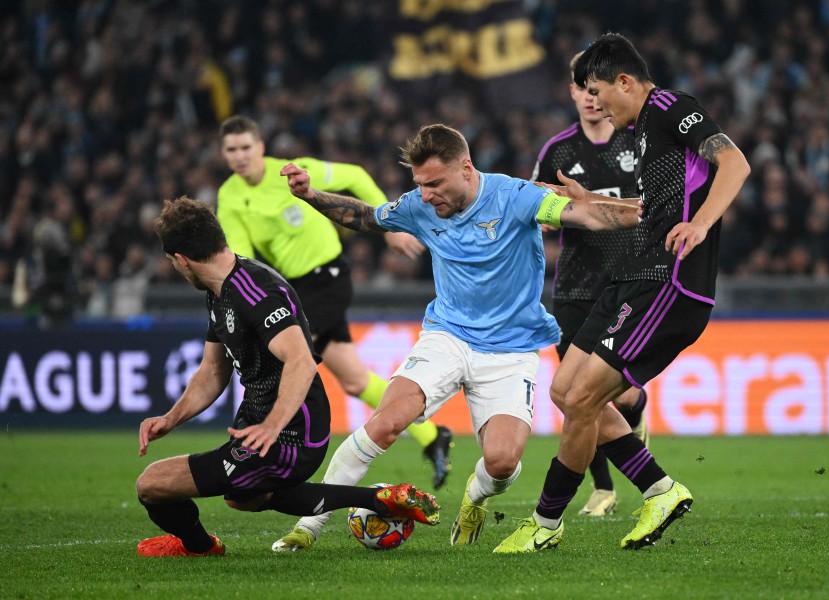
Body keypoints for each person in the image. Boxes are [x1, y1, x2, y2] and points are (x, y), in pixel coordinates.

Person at [274, 123, 642, 550]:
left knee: (502, 464)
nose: (426, 195)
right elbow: (366, 218)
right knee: (387, 422)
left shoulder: (516, 196)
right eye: (420, 185)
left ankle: (475, 496)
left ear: (466, 168)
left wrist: (658, 212)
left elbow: (589, 215)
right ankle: (308, 525)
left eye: (434, 183)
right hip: (447, 337)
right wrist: (311, 196)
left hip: (512, 348)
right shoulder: (419, 206)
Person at [495, 33, 750, 553]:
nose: (598, 103)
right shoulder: (640, 135)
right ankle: (659, 488)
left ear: (625, 81)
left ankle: (544, 524)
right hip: (633, 275)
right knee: (565, 391)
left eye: (598, 90)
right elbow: (649, 208)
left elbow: (735, 163)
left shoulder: (671, 107)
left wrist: (700, 225)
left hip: (668, 281)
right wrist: (591, 204)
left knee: (585, 398)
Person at [134, 196, 439, 557]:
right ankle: (380, 500)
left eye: (173, 262)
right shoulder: (220, 292)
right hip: (263, 423)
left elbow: (301, 360)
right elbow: (213, 370)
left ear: (181, 260)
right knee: (244, 497)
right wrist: (172, 418)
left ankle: (200, 547)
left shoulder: (256, 290)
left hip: (293, 430)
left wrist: (273, 425)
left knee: (151, 484)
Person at [216, 116, 453, 502]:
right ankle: (433, 436)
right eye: (231, 150)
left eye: (246, 147)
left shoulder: (293, 172)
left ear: (261, 147)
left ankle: (269, 451)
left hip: (326, 278)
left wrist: (388, 227)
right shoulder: (229, 196)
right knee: (355, 379)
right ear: (224, 155)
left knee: (287, 359)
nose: (240, 156)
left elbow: (356, 176)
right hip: (292, 289)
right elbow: (242, 253)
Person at [535, 51, 649, 518]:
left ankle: (635, 422)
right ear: (572, 92)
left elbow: (656, 204)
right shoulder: (557, 152)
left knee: (621, 396)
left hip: (628, 283)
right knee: (579, 396)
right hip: (575, 290)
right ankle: (603, 488)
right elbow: (535, 205)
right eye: (579, 88)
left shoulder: (637, 143)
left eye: (593, 86)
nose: (588, 96)